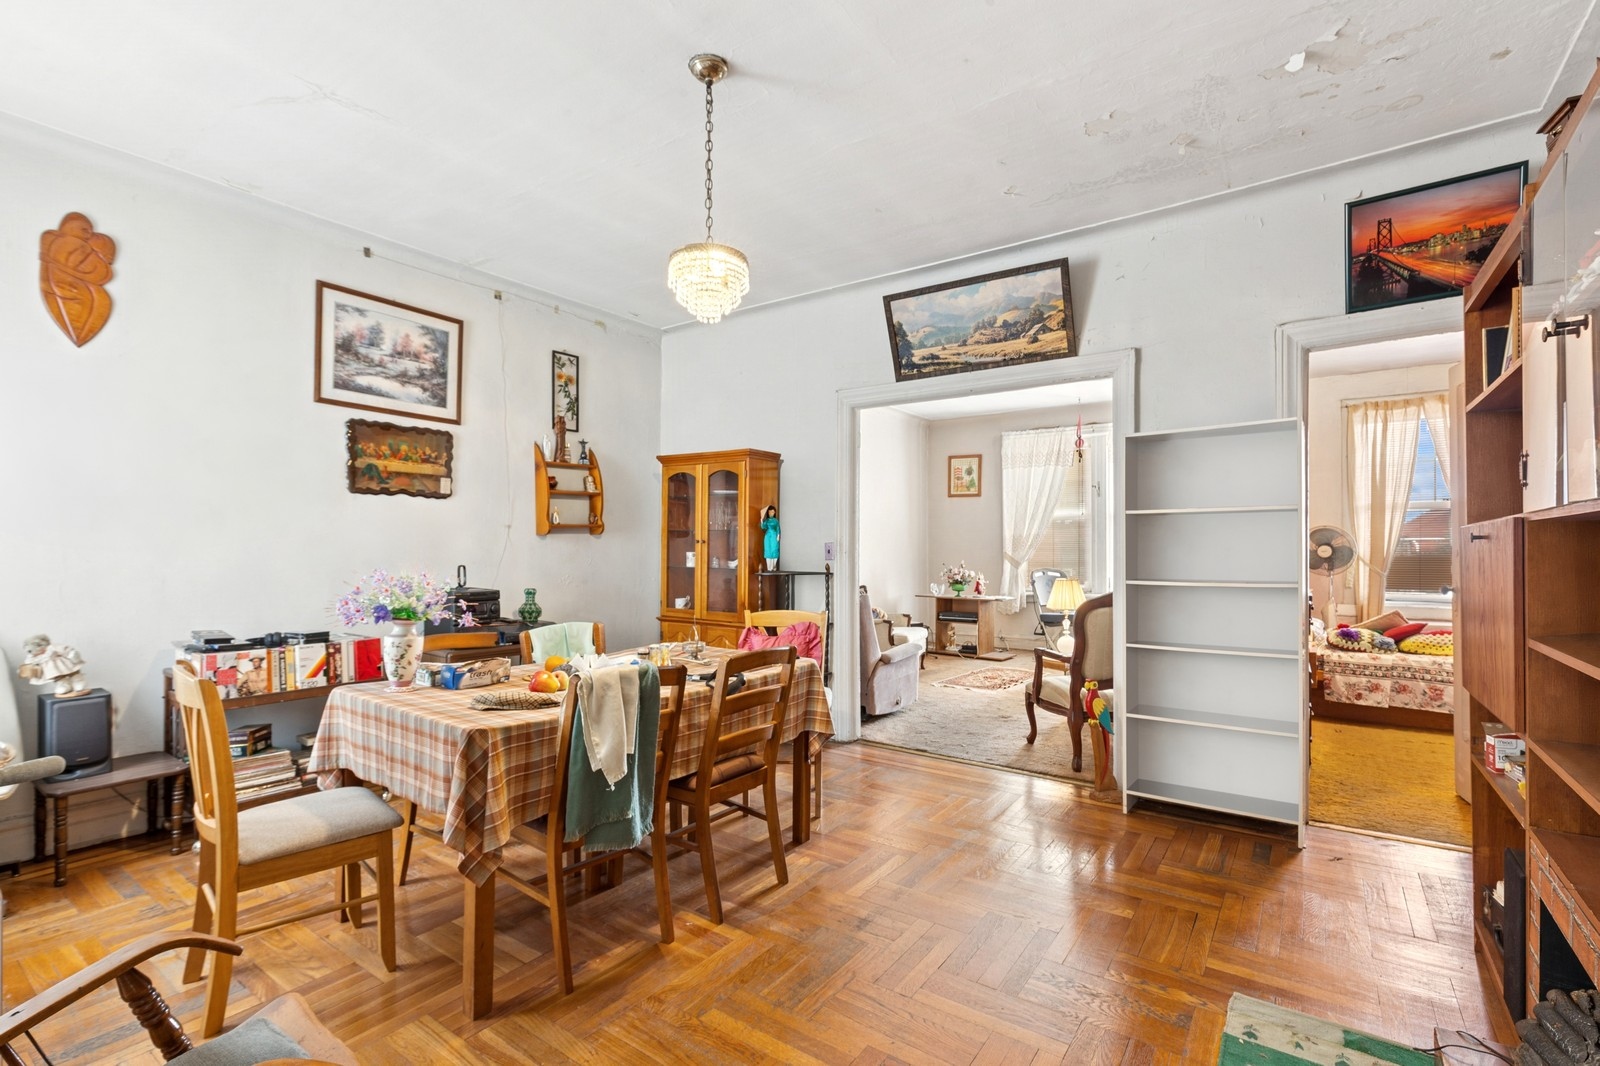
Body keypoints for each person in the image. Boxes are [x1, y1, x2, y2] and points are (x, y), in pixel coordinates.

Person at [17, 635, 88, 696]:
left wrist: (71, 654)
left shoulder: (52, 648)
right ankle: (64, 684)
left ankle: (78, 680)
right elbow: (28, 663)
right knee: (58, 677)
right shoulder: (32, 657)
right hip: (52, 670)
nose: (33, 652)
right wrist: (23, 670)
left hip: (63, 664)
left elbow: (64, 649)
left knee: (73, 671)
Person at [761, 504, 780, 571]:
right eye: (769, 512)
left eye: (772, 512)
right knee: (768, 550)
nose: (770, 513)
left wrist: (778, 535)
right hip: (768, 536)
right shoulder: (767, 521)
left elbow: (778, 528)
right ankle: (769, 567)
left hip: (774, 536)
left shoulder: (776, 521)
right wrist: (762, 520)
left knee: (774, 549)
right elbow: (763, 527)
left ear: (774, 512)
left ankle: (774, 566)